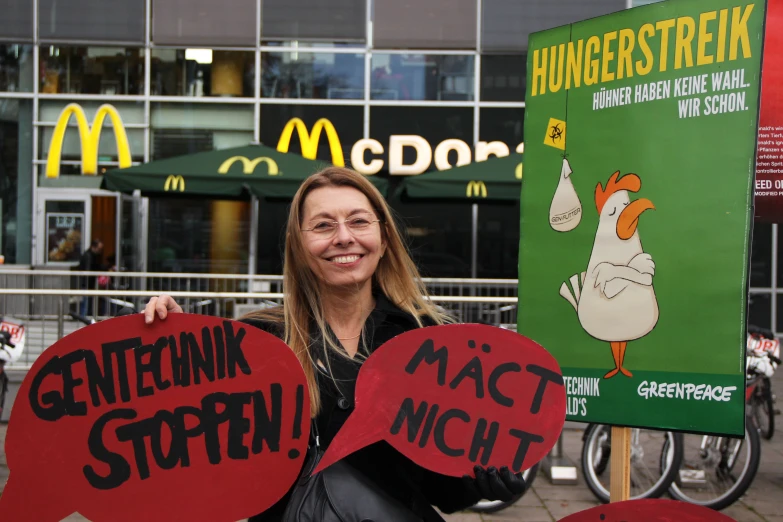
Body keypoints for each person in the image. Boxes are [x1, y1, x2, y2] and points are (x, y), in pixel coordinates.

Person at [144, 167, 525, 521]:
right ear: (298, 244)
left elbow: (443, 492)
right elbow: (211, 461)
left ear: (384, 236)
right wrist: (177, 350)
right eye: (323, 225)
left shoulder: (431, 340)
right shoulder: (258, 340)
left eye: (359, 221)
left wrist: (480, 479)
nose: (344, 237)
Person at [78, 239, 104, 316]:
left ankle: (85, 317)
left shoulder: (93, 256)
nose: (100, 251)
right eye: (99, 249)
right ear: (94, 247)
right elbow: (88, 269)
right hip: (87, 283)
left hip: (89, 283)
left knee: (88, 303)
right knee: (86, 303)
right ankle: (84, 318)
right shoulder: (88, 256)